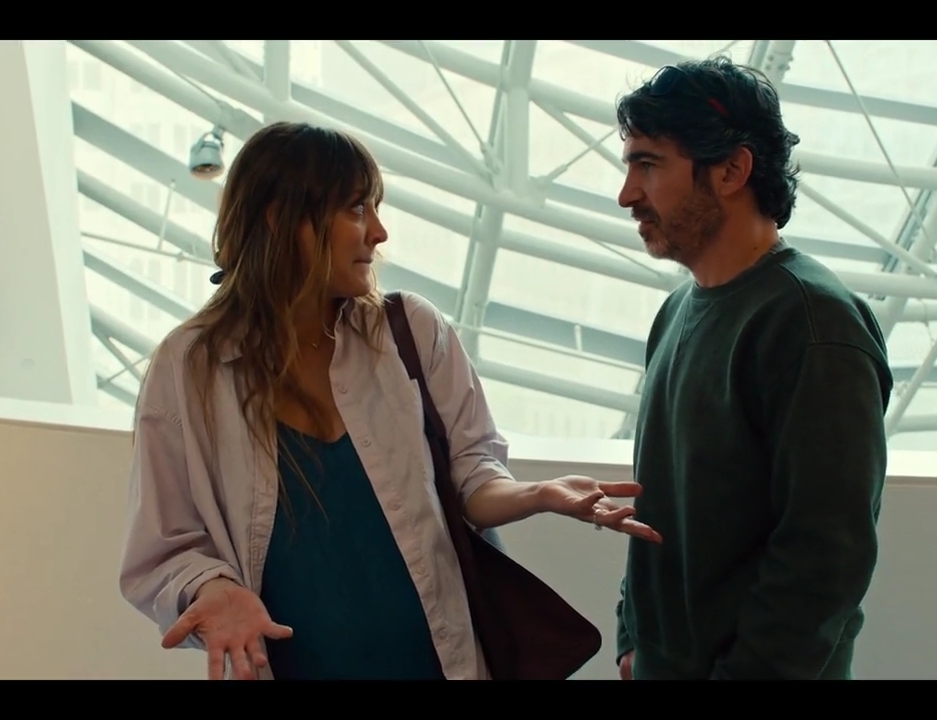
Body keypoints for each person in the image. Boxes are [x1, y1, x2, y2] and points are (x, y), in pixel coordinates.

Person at [119, 121, 661, 681]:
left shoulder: (411, 330)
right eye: (356, 208)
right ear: (282, 218)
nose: (378, 233)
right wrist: (214, 589)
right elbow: (165, 543)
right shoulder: (190, 367)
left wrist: (538, 494)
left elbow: (472, 475)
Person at [611, 58, 894, 680]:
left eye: (648, 164)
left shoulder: (813, 323)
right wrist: (633, 640)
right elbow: (661, 500)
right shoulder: (676, 311)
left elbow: (824, 557)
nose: (627, 194)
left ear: (732, 170)